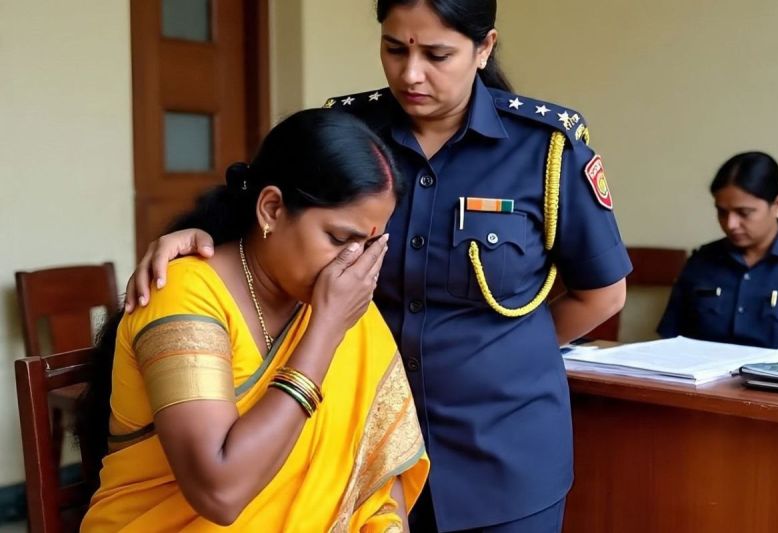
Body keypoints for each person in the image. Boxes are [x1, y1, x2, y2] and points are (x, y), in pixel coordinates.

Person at [126, 1, 631, 531]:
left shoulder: (544, 148)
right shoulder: (351, 132)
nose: (410, 74)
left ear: (484, 48)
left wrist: (501, 353)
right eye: (394, 49)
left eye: (437, 55)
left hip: (502, 451)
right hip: (352, 439)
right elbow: (269, 222)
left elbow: (602, 294)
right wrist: (199, 238)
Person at [78, 109, 429, 532]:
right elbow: (220, 493)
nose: (354, 263)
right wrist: (325, 331)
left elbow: (380, 478)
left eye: (370, 246)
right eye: (339, 239)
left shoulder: (344, 305)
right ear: (272, 209)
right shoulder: (185, 295)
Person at [659, 151, 778, 354]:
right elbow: (670, 340)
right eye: (722, 212)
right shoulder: (702, 262)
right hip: (702, 373)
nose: (731, 224)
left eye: (744, 213)